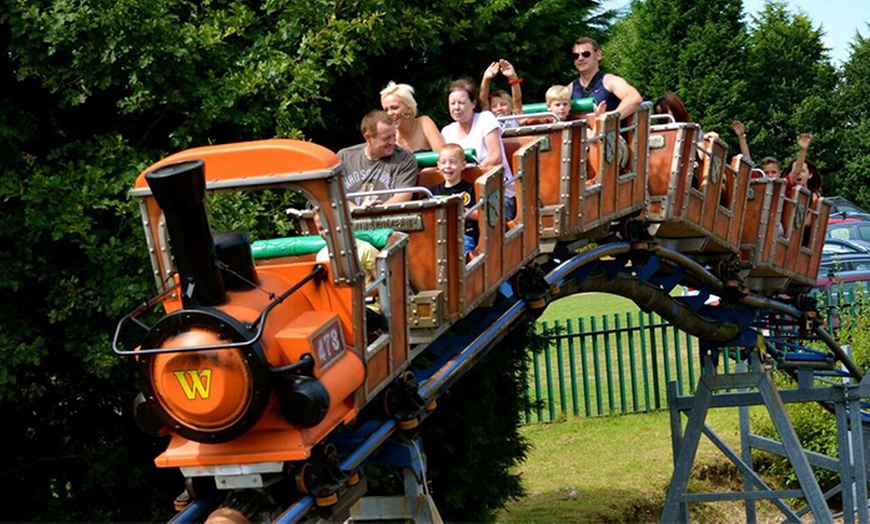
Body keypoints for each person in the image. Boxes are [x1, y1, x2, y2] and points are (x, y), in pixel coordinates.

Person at [441, 78, 517, 221]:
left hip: (495, 192)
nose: (456, 107)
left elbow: (495, 156)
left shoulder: (485, 119)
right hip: (463, 196)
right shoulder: (447, 131)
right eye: (452, 103)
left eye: (462, 103)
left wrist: (468, 173)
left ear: (473, 103)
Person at [313, 209, 384, 335]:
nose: (325, 233)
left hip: (368, 308)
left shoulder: (365, 249)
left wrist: (358, 294)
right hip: (338, 309)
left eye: (328, 227)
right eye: (320, 229)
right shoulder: (321, 256)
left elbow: (383, 284)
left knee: (344, 322)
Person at [338, 110, 418, 208]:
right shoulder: (344, 157)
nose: (392, 142)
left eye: (394, 135)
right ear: (368, 137)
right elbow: (336, 197)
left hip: (389, 218)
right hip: (352, 219)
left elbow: (404, 195)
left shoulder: (405, 159)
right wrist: (359, 211)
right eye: (386, 138)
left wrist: (379, 211)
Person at [569, 37, 642, 121]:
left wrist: (609, 118)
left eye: (586, 54)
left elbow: (634, 98)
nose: (580, 58)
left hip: (609, 133)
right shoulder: (569, 89)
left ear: (598, 55)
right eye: (576, 56)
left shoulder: (610, 81)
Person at [428, 143, 479, 255]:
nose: (447, 166)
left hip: (463, 234)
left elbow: (480, 214)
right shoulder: (431, 192)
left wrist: (465, 212)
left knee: (460, 250)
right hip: (439, 235)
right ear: (438, 165)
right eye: (443, 162)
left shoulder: (470, 189)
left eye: (453, 162)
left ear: (463, 165)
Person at [380, 81, 444, 153]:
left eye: (394, 108)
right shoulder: (390, 136)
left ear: (409, 109)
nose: (389, 113)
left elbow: (443, 155)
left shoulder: (423, 123)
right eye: (386, 110)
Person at [480, 59, 524, 128]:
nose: (499, 108)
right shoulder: (489, 120)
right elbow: (482, 101)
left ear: (511, 107)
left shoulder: (516, 118)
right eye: (494, 106)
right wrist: (486, 78)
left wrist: (512, 76)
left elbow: (517, 100)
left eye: (503, 104)